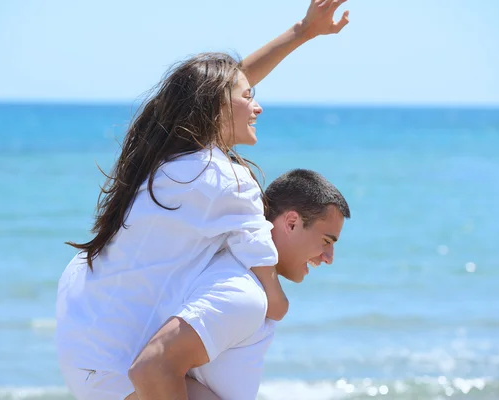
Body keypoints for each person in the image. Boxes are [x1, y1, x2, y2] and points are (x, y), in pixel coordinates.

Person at [56, 0, 350, 398]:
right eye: (249, 97)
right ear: (214, 106)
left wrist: (301, 32)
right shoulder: (224, 179)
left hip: (87, 344)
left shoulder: (166, 158)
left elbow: (223, 85)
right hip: (119, 366)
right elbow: (274, 302)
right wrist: (265, 305)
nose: (258, 106)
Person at [129, 169, 351, 400]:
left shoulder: (239, 277)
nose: (329, 257)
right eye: (326, 241)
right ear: (292, 223)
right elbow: (152, 367)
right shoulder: (242, 293)